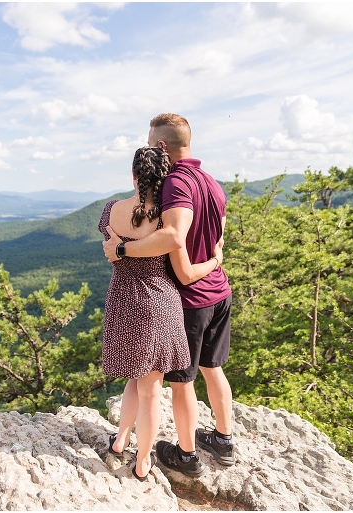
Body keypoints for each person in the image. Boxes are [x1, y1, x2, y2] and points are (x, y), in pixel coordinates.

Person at [102, 113, 235, 478]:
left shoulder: (175, 183)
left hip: (187, 295)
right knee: (213, 368)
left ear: (161, 146)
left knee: (181, 382)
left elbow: (173, 235)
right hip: (218, 291)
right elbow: (219, 230)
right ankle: (223, 439)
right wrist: (215, 258)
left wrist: (124, 251)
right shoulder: (211, 182)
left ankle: (187, 454)